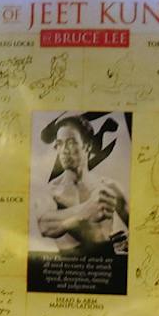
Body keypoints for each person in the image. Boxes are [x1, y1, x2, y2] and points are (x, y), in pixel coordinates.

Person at [33, 111, 128, 259]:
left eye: (71, 143)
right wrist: (86, 210)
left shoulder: (109, 188)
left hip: (106, 266)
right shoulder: (51, 192)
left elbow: (142, 228)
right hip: (69, 269)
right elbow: (44, 226)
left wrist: (129, 240)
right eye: (60, 144)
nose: (64, 150)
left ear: (88, 146)